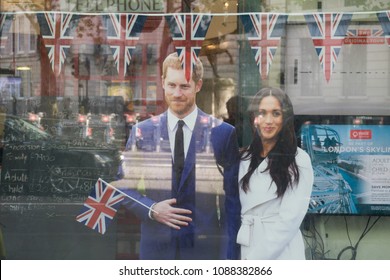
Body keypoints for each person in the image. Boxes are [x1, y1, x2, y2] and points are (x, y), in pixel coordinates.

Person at [120, 52, 241, 260]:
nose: (177, 93)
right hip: (156, 252)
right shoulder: (142, 131)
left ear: (198, 85)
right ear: (162, 83)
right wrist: (152, 209)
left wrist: (229, 259)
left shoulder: (223, 133)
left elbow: (232, 203)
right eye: (172, 85)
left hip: (205, 251)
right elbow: (123, 187)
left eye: (184, 86)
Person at [236, 87, 314, 259]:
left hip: (281, 252)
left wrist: (255, 260)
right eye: (262, 113)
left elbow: (289, 221)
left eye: (276, 113)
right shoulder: (243, 157)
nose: (268, 120)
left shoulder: (299, 160)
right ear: (254, 118)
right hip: (246, 245)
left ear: (285, 118)